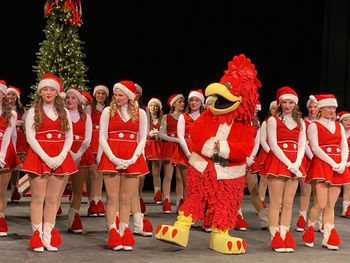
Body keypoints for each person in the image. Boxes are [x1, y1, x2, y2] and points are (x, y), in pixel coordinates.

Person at [22, 74, 77, 252]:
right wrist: (46, 158)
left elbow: (69, 136)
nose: (48, 92)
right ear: (40, 92)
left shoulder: (64, 112)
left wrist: (61, 157)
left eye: (52, 89)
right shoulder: (32, 111)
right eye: (45, 89)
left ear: (56, 92)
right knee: (38, 198)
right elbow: (30, 137)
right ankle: (37, 235)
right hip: (39, 157)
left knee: (53, 199)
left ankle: (48, 236)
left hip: (60, 157)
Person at [98, 80, 149, 251]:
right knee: (112, 198)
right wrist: (112, 157)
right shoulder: (107, 111)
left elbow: (143, 138)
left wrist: (134, 157)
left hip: (131, 158)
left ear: (129, 96)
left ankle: (124, 231)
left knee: (126, 198)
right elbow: (102, 137)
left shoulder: (140, 113)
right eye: (116, 95)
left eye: (121, 95)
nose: (117, 98)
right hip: (112, 157)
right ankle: (113, 232)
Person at [260, 86, 306, 253]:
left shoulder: (301, 122)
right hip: (278, 162)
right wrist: (289, 163)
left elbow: (302, 144)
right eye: (284, 102)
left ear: (295, 104)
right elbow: (272, 144)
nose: (287, 105)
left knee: (288, 202)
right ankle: (274, 235)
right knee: (276, 202)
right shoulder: (273, 120)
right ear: (280, 103)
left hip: (294, 163)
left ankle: (285, 233)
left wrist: (297, 162)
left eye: (291, 102)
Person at [303, 94, 350, 250]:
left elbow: (344, 146)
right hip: (322, 165)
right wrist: (333, 163)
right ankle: (309, 228)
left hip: (337, 166)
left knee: (330, 204)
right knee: (320, 203)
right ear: (321, 109)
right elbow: (315, 148)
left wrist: (342, 162)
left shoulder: (339, 126)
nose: (332, 110)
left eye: (334, 107)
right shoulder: (313, 126)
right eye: (329, 107)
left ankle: (328, 237)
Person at [65, 88, 95, 233]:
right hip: (64, 153)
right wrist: (68, 153)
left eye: (73, 98)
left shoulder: (86, 117)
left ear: (79, 101)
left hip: (81, 153)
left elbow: (88, 139)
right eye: (68, 98)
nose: (70, 100)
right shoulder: (62, 115)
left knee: (77, 189)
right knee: (58, 190)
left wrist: (77, 154)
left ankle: (73, 217)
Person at [171, 89, 205, 211]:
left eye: (196, 100)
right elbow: (180, 136)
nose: (193, 103)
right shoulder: (183, 117)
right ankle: (187, 211)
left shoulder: (205, 117)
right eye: (191, 100)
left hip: (201, 151)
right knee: (188, 184)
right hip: (186, 151)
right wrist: (187, 153)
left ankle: (198, 210)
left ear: (201, 102)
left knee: (200, 184)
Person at [238, 102, 268, 231]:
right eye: (253, 111)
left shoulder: (256, 123)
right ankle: (237, 216)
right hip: (237, 158)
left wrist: (251, 158)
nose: (254, 114)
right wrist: (243, 158)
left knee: (254, 190)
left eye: (256, 112)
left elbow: (257, 142)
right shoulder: (238, 121)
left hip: (250, 159)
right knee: (237, 191)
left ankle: (264, 219)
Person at [0, 80, 22, 237]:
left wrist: (1, 156)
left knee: (1, 191)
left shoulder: (11, 114)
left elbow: (8, 137)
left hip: (3, 152)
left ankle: (1, 218)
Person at [159, 93, 185, 213]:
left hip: (181, 147)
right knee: (168, 176)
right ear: (173, 104)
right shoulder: (167, 117)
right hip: (170, 147)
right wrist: (174, 139)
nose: (182, 104)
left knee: (180, 177)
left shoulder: (185, 117)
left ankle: (180, 202)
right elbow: (161, 134)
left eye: (183, 102)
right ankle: (166, 201)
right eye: (179, 102)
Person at [295, 95, 318, 232]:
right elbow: (303, 143)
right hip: (306, 157)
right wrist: (312, 156)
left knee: (319, 191)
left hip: (320, 158)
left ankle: (319, 219)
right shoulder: (304, 122)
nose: (312, 109)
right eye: (310, 107)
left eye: (315, 107)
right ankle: (302, 217)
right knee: (305, 190)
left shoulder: (322, 123)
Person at [87, 84, 109, 217]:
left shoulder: (108, 109)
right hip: (91, 141)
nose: (100, 96)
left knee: (99, 173)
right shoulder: (89, 109)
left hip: (103, 141)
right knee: (92, 173)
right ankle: (91, 201)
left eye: (103, 94)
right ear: (95, 95)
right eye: (98, 93)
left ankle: (98, 200)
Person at [7, 85, 28, 202]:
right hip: (6, 138)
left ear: (17, 97)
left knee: (16, 167)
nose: (11, 97)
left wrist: (22, 124)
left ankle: (15, 189)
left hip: (19, 140)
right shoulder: (3, 108)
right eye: (9, 94)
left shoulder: (21, 110)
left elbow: (25, 125)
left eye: (13, 95)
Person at [257, 100, 277, 207]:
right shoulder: (266, 122)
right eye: (273, 108)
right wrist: (271, 152)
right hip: (268, 152)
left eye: (276, 108)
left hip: (279, 153)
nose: (275, 110)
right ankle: (261, 200)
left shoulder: (283, 122)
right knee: (264, 179)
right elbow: (263, 140)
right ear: (270, 110)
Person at [145, 97, 163, 204]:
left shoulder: (161, 119)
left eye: (156, 106)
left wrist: (158, 135)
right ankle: (137, 194)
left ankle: (157, 194)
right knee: (143, 172)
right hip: (147, 145)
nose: (153, 107)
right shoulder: (146, 119)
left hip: (157, 145)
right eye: (151, 105)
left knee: (156, 171)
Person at [337, 111, 350, 218]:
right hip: (338, 161)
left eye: (349, 120)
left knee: (347, 186)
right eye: (345, 120)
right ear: (340, 121)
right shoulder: (338, 133)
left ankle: (346, 209)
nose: (348, 122)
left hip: (349, 163)